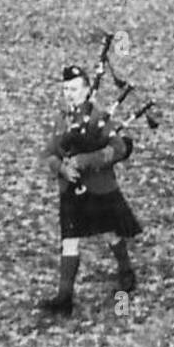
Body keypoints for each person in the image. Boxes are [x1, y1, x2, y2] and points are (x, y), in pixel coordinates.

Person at [38, 64, 142, 316]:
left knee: (109, 233)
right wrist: (61, 169)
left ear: (87, 91)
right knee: (69, 241)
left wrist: (87, 160)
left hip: (99, 188)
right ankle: (65, 297)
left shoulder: (99, 117)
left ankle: (126, 269)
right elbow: (48, 153)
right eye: (65, 89)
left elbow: (118, 148)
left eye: (74, 89)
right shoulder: (61, 118)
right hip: (70, 188)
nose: (69, 93)